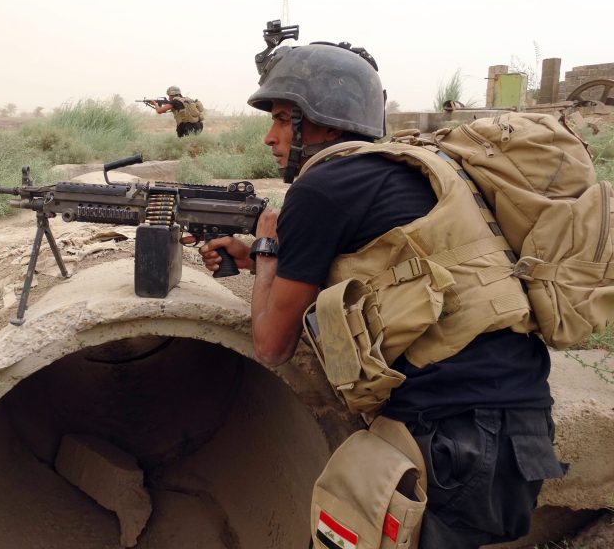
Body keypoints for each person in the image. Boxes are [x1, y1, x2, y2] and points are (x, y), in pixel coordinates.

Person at [194, 40, 567, 548]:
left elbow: (271, 346)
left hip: (453, 438)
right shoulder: (403, 169)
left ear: (321, 122)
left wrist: (266, 249)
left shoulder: (320, 188)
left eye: (283, 119)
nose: (270, 137)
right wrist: (258, 257)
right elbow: (380, 272)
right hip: (515, 427)